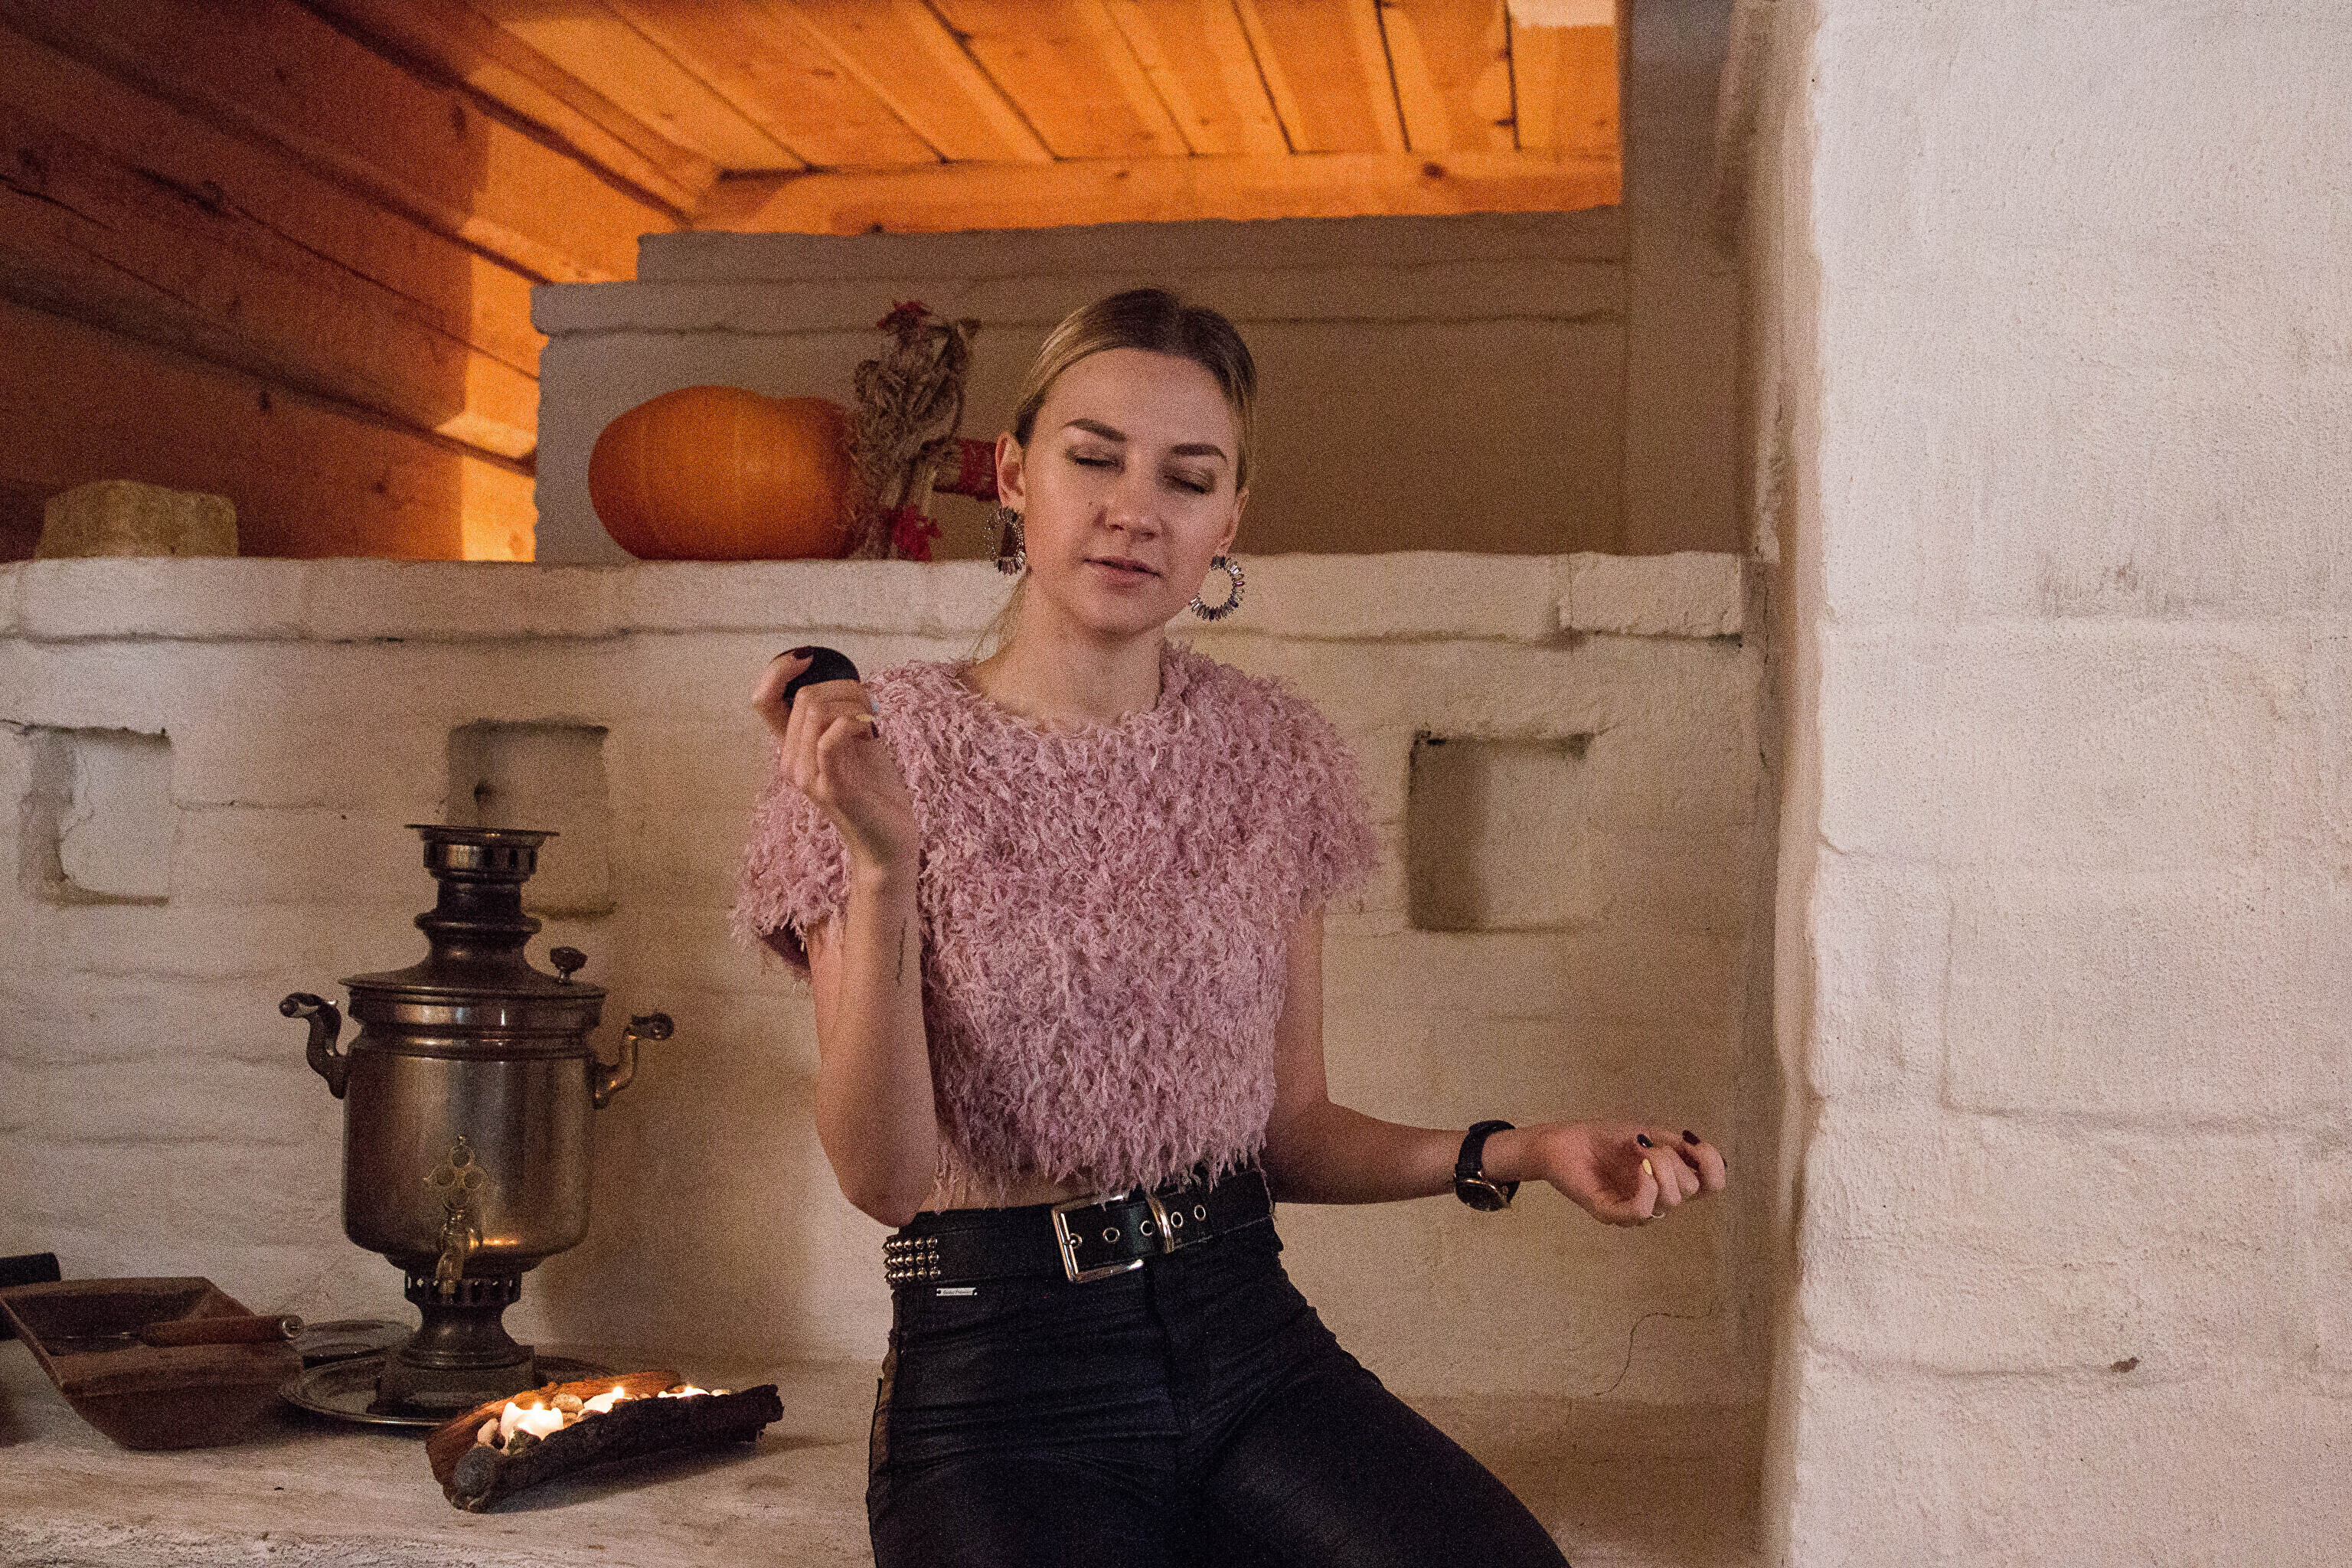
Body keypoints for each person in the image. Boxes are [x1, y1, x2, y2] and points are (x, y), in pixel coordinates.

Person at [735, 288, 1727, 1568]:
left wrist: (1526, 1148)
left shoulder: (1274, 756)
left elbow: (1288, 1129)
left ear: (1229, 522)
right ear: (1016, 477)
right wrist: (883, 864)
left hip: (1251, 1345)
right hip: (1003, 1392)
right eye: (1094, 458)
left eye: (1187, 478)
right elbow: (884, 1182)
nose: (1134, 509)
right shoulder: (870, 752)